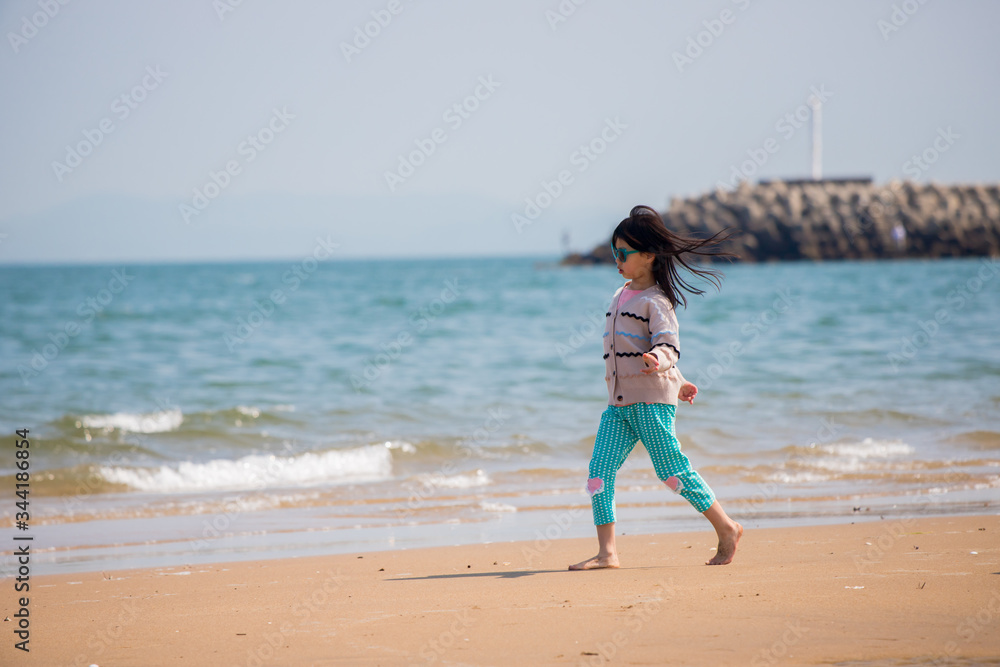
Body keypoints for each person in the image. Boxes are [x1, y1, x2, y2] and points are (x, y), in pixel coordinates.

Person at [569, 205, 742, 570]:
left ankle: (726, 528)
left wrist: (661, 365)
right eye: (613, 251)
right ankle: (607, 553)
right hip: (618, 405)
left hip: (650, 404)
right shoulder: (621, 294)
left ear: (648, 256)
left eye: (623, 253)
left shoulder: (657, 302)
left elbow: (668, 346)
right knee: (598, 474)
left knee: (671, 471)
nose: (616, 259)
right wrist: (680, 380)